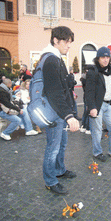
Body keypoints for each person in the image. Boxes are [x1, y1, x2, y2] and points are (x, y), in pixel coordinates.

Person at [40, 26, 79, 195]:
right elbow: (54, 93)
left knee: (61, 144)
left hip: (59, 112)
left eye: (70, 42)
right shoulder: (50, 60)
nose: (69, 45)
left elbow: (62, 87)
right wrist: (69, 116)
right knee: (53, 147)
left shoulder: (57, 59)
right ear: (55, 40)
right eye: (66, 41)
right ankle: (50, 181)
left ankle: (59, 170)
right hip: (54, 112)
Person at [85, 46, 111, 162]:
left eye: (107, 57)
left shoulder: (110, 71)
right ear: (98, 58)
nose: (105, 59)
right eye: (103, 57)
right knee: (97, 131)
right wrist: (92, 107)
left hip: (108, 105)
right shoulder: (93, 72)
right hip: (98, 105)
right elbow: (89, 91)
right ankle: (97, 152)